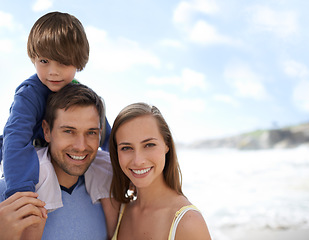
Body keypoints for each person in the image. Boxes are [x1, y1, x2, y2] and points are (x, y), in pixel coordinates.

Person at [0, 11, 111, 200]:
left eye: (63, 63)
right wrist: (21, 191)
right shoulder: (29, 94)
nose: (53, 72)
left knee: (103, 166)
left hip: (57, 153)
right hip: (24, 153)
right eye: (44, 61)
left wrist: (125, 166)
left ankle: (114, 228)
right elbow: (16, 138)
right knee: (38, 167)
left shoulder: (81, 95)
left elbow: (105, 133)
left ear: (78, 62)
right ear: (33, 58)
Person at [0, 83, 118, 239]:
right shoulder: (8, 195)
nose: (81, 146)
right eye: (69, 131)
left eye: (91, 132)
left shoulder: (106, 191)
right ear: (47, 131)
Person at [109, 102, 212, 239]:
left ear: (166, 145)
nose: (138, 161)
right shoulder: (119, 211)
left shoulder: (188, 222)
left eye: (149, 145)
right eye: (126, 148)